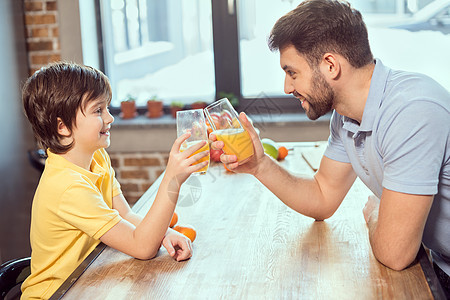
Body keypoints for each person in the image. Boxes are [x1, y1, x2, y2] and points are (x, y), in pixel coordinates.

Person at [212, 0, 449, 295]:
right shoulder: (346, 115)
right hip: (440, 261)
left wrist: (376, 214)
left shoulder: (412, 110)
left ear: (330, 65)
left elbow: (395, 253)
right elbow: (323, 197)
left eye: (292, 72)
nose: (287, 87)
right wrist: (260, 165)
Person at [20, 62, 209, 299]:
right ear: (63, 126)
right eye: (98, 110)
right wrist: (172, 179)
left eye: (107, 108)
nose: (110, 118)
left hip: (88, 282)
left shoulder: (97, 158)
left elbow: (126, 216)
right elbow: (141, 247)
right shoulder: (67, 185)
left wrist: (165, 233)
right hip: (57, 294)